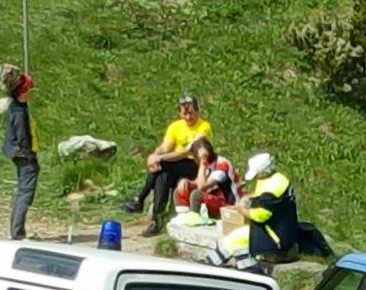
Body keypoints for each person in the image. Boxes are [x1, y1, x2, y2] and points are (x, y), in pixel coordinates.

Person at [121, 94, 213, 236]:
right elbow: (165, 147)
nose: (188, 117)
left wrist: (160, 158)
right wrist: (154, 156)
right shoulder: (175, 126)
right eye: (185, 114)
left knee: (163, 164)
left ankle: (139, 198)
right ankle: (156, 220)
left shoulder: (204, 127)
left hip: (195, 164)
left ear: (197, 111)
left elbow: (186, 152)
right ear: (180, 113)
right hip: (175, 165)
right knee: (162, 177)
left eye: (191, 113)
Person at [204, 152, 298, 274]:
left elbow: (260, 215)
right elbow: (262, 196)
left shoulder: (271, 189)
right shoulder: (278, 179)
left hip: (276, 238)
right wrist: (248, 197)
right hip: (280, 231)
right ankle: (210, 262)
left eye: (257, 174)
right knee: (234, 237)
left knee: (237, 240)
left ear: (264, 172)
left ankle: (248, 269)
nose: (256, 177)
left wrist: (241, 210)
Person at [0, 64, 40, 241]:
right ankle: (18, 234)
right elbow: (22, 138)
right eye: (28, 90)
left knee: (22, 192)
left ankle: (16, 230)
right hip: (24, 156)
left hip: (17, 153)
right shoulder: (20, 113)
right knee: (26, 193)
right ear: (22, 93)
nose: (31, 92)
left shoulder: (17, 106)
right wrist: (30, 157)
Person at [172, 136, 240, 219]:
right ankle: (183, 216)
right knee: (180, 190)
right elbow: (198, 182)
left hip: (228, 203)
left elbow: (201, 186)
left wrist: (203, 162)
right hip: (213, 197)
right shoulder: (207, 164)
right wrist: (185, 182)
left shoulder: (222, 165)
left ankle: (196, 219)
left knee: (196, 195)